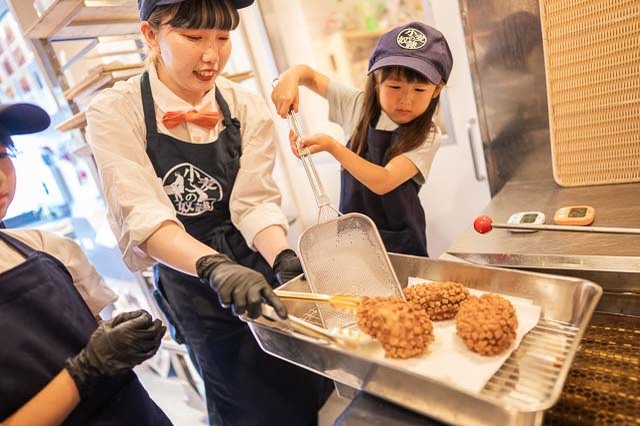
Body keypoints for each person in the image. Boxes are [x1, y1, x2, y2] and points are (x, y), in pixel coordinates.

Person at [85, 0, 332, 424]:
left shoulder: (245, 107)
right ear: (151, 35)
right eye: (193, 37)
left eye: (222, 37)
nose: (211, 55)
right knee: (243, 397)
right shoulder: (116, 111)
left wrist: (281, 256)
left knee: (305, 380)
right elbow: (142, 212)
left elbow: (253, 202)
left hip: (254, 261)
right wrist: (213, 266)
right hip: (189, 275)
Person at [0, 102, 169, 425]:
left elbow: (95, 335)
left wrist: (122, 342)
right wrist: (86, 370)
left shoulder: (47, 249)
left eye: (2, 155)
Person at [272, 22, 453, 257]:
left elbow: (383, 181)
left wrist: (332, 147)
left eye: (419, 90)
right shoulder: (357, 105)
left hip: (401, 242)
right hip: (352, 236)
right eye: (395, 86)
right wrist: (290, 77)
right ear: (376, 82)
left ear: (437, 90)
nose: (406, 100)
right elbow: (309, 76)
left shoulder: (428, 134)